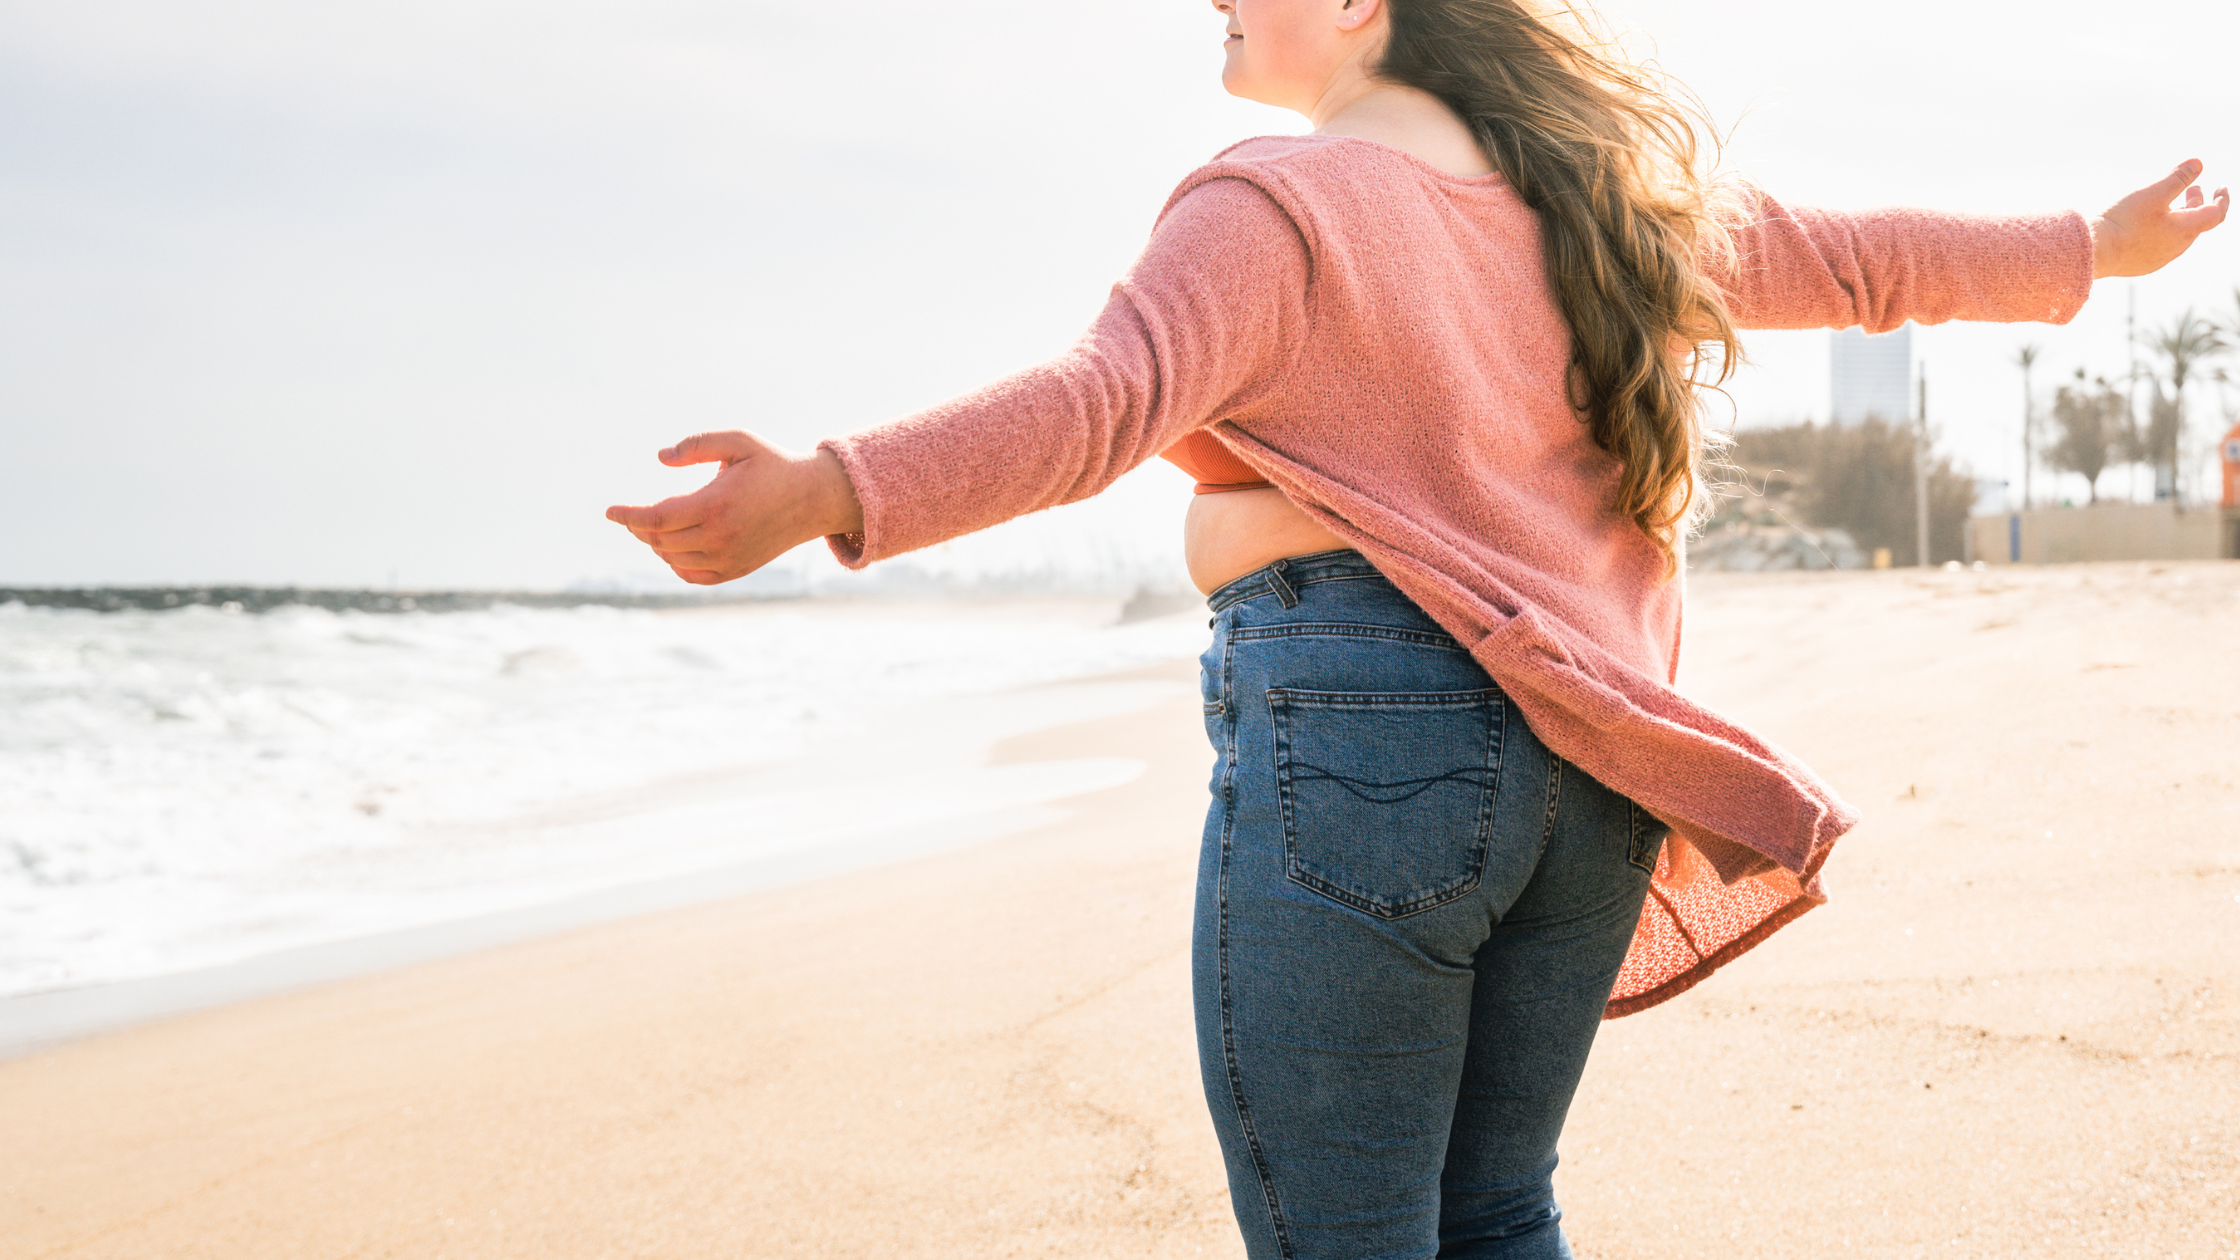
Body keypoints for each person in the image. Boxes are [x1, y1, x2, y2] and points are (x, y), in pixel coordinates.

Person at [607, 1, 2226, 1254]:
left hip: (1366, 741)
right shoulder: (1595, 204)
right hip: (1590, 765)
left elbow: (1103, 406)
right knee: (1501, 1220)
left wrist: (831, 488)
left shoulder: (1276, 207)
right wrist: (2090, 250)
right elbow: (1859, 264)